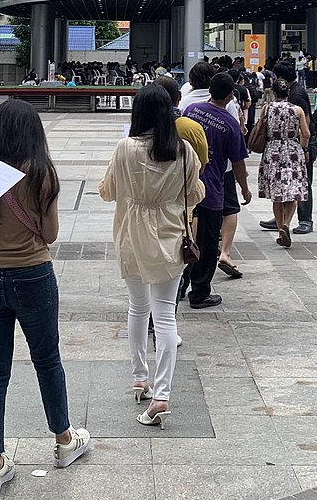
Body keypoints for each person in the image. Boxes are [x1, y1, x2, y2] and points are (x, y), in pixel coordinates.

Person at [0, 100, 91, 494]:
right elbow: (49, 235)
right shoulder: (41, 174)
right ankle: (64, 440)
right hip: (32, 275)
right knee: (47, 359)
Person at [100, 85, 204, 429]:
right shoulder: (183, 150)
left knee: (137, 307)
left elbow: (108, 191)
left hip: (131, 234)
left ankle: (139, 377)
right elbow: (195, 193)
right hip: (171, 237)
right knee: (165, 316)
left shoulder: (124, 149)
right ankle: (161, 395)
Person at [184, 73, 251, 308]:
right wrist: (244, 188)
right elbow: (238, 163)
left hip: (185, 184)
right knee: (208, 241)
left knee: (184, 236)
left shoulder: (191, 110)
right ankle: (200, 292)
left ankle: (180, 286)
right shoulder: (231, 124)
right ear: (231, 95)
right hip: (211, 187)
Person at [256, 78, 310, 248]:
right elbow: (306, 133)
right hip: (293, 150)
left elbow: (260, 128)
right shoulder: (298, 110)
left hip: (273, 151)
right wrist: (303, 149)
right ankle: (286, 223)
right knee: (293, 189)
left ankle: (280, 228)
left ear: (273, 93)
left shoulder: (267, 108)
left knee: (277, 193)